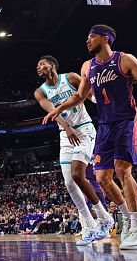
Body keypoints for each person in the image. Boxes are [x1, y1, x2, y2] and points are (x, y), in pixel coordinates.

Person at [44, 24, 137, 250]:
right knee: (102, 178)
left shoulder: (124, 60)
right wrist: (58, 109)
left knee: (122, 170)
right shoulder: (88, 66)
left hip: (126, 121)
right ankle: (128, 218)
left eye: (91, 37)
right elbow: (79, 96)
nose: (87, 41)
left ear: (105, 39)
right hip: (104, 125)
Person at [35, 55, 113, 245]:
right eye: (37, 66)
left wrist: (102, 98)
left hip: (85, 129)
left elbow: (89, 95)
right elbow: (53, 111)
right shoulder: (40, 92)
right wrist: (67, 128)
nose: (38, 67)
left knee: (78, 175)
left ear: (52, 65)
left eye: (41, 64)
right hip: (66, 135)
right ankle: (90, 226)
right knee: (70, 183)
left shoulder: (70, 77)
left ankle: (104, 218)